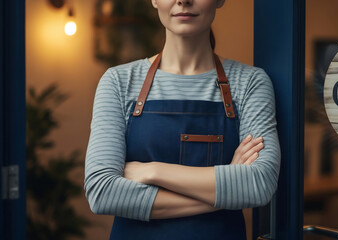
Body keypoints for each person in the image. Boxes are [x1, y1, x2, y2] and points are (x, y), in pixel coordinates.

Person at [84, 0, 281, 239]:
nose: (183, 0)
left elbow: (259, 184)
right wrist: (228, 187)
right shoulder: (118, 82)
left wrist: (153, 171)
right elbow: (102, 192)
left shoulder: (250, 83)